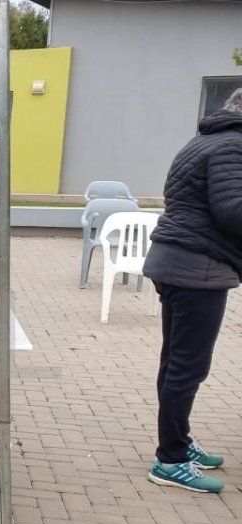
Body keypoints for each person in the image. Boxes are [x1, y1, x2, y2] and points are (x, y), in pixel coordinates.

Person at [141, 88, 242, 494]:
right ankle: (170, 460)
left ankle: (178, 442)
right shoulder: (234, 146)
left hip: (176, 262)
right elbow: (233, 210)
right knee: (188, 367)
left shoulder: (204, 140)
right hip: (197, 268)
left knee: (175, 362)